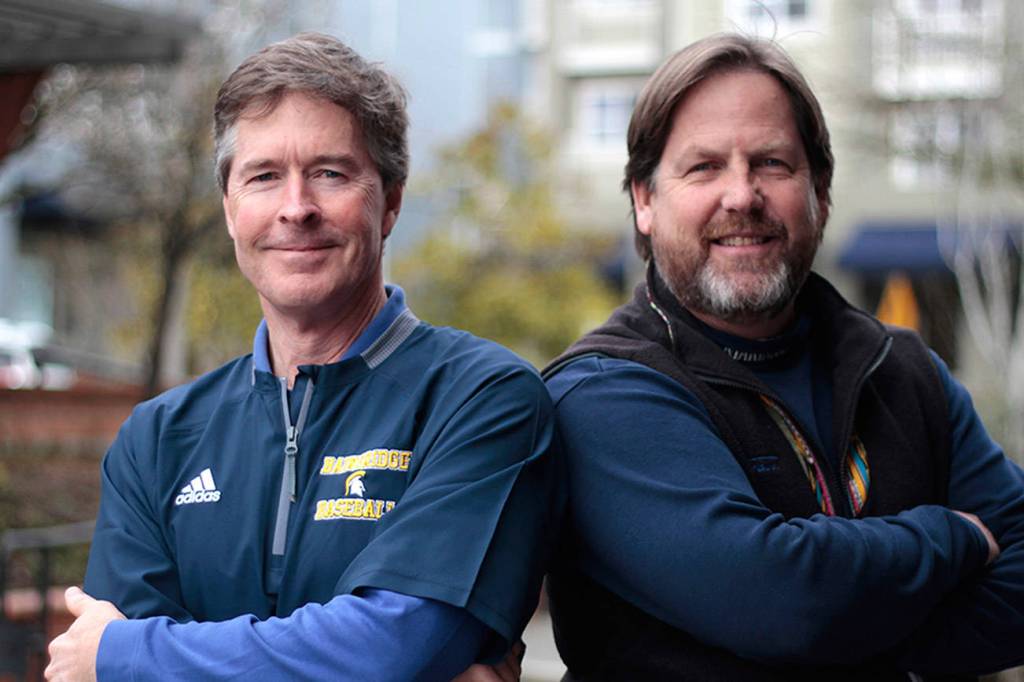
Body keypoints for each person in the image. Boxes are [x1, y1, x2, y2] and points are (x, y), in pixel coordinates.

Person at [46, 33, 560, 682]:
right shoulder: (157, 441)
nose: (296, 209)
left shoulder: (482, 402)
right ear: (230, 210)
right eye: (264, 176)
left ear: (391, 201)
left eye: (330, 173)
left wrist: (129, 654)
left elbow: (392, 648)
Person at [544, 33, 1024, 681]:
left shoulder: (904, 371)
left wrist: (849, 640)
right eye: (704, 167)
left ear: (820, 192)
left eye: (771, 163)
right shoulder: (603, 391)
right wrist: (954, 537)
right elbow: (778, 599)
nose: (742, 196)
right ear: (644, 200)